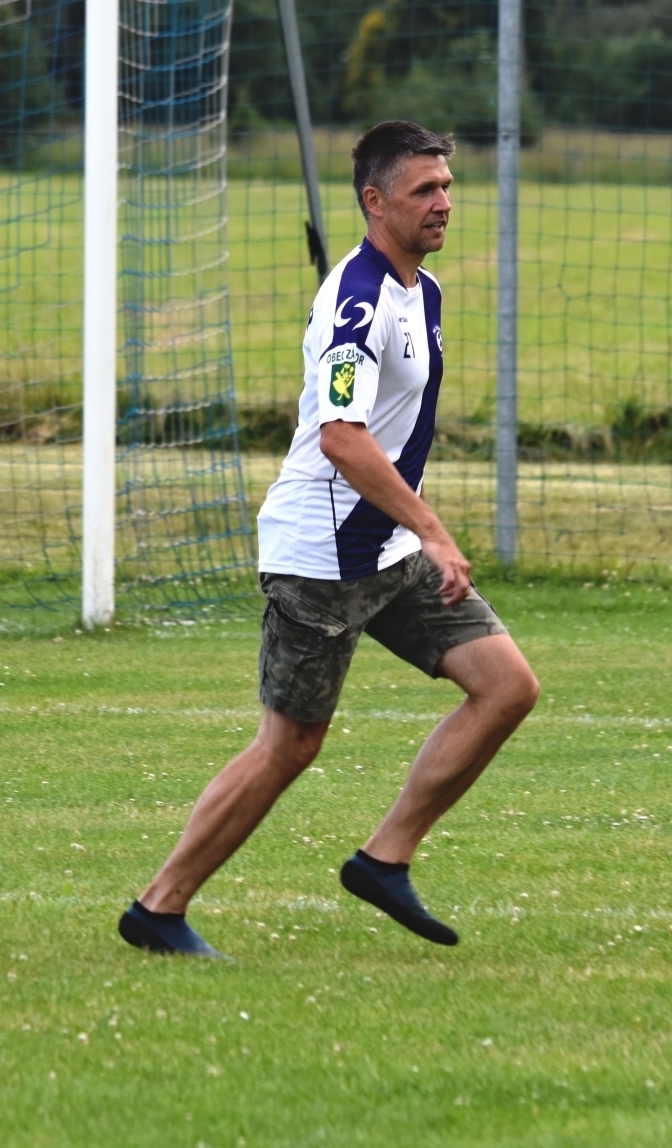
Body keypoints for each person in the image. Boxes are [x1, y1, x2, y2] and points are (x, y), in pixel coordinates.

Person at [120, 121, 540, 957]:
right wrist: (435, 530)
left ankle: (384, 859)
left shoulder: (425, 291)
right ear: (374, 201)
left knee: (507, 688)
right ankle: (158, 910)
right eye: (424, 190)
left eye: (447, 186)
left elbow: (386, 430)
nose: (443, 203)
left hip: (389, 550)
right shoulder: (356, 300)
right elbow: (343, 438)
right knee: (289, 746)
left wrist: (416, 530)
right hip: (323, 556)